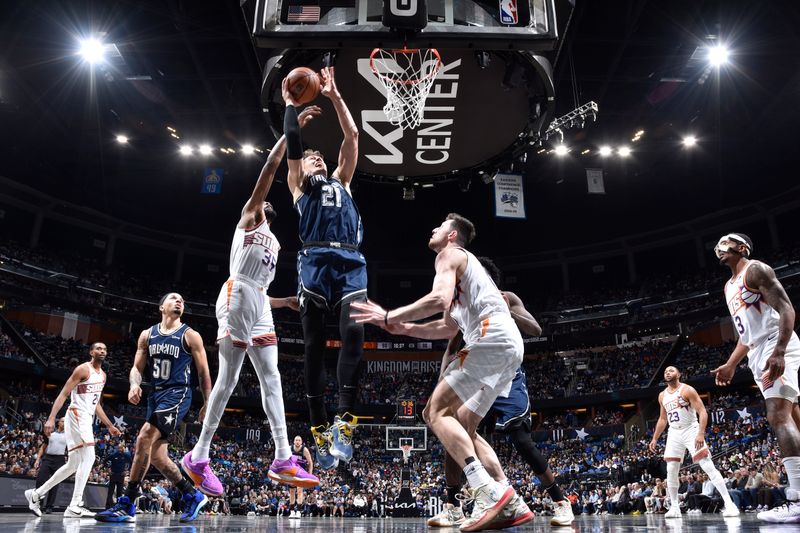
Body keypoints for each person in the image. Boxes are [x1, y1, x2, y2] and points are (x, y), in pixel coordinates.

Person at [352, 213, 523, 532]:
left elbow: (436, 298)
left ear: (452, 236)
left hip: (490, 337)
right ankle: (510, 499)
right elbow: (445, 327)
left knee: (434, 411)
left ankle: (487, 493)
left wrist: (389, 315)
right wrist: (404, 328)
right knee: (463, 424)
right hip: (507, 345)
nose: (433, 228)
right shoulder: (466, 278)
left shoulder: (450, 255)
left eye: (441, 226)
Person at [181, 108, 321, 494]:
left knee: (272, 377)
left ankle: (281, 458)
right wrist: (290, 135)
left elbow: (261, 290)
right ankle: (199, 455)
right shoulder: (250, 217)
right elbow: (269, 172)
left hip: (258, 301)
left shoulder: (275, 240)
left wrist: (283, 303)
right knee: (227, 380)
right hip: (236, 294)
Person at [426, 257, 571, 528]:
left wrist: (508, 311)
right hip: (476, 370)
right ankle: (453, 506)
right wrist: (441, 383)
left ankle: (560, 502)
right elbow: (450, 349)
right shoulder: (464, 305)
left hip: (506, 374)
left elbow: (535, 328)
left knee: (520, 439)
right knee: (454, 427)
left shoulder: (506, 298)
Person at [283, 66, 365, 469]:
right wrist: (289, 108)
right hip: (313, 260)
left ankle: (343, 422)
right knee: (314, 346)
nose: (314, 158)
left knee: (354, 333)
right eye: (310, 157)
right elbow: (293, 147)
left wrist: (333, 95)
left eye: (318, 155)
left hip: (351, 260)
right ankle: (318, 427)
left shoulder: (342, 182)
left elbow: (352, 137)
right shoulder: (299, 184)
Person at [96, 293, 211, 523]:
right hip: (155, 395)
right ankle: (193, 495)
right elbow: (137, 367)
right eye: (174, 298)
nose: (180, 301)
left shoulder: (190, 335)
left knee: (143, 438)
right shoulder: (147, 335)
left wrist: (208, 402)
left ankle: (127, 502)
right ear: (161, 307)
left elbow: (203, 372)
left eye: (182, 300)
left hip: (178, 394)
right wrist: (134, 384)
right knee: (158, 457)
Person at [711, 233, 800, 523]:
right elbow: (745, 335)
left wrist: (780, 350)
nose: (719, 248)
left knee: (778, 416)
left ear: (742, 247)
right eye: (717, 245)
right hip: (757, 351)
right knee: (794, 418)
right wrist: (730, 364)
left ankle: (796, 499)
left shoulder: (756, 269)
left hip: (776, 343)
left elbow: (787, 308)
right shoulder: (728, 286)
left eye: (726, 243)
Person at [25, 342, 121, 517]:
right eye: (99, 348)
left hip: (86, 417)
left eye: (105, 349)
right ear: (91, 352)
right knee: (90, 457)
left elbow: (97, 404)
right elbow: (63, 394)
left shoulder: (103, 376)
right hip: (76, 414)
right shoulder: (82, 370)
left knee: (73, 464)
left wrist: (109, 425)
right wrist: (52, 418)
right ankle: (74, 504)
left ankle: (36, 494)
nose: (102, 351)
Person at [649, 366, 738, 518]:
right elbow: (663, 419)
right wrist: (655, 438)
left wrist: (701, 433)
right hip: (674, 432)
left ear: (679, 374)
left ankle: (729, 504)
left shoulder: (687, 390)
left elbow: (702, 411)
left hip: (691, 429)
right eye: (665, 371)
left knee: (707, 465)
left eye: (671, 370)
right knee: (671, 469)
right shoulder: (662, 395)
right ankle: (675, 507)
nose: (667, 372)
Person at [33, 418, 67, 514]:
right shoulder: (50, 434)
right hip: (48, 459)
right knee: (40, 480)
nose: (64, 423)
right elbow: (43, 447)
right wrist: (37, 459)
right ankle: (39, 505)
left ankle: (49, 506)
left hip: (59, 460)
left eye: (65, 421)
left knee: (55, 483)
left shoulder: (68, 435)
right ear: (58, 423)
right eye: (62, 421)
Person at [288, 435, 314, 518]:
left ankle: (298, 511)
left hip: (301, 472)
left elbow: (310, 462)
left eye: (299, 440)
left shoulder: (304, 450)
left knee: (299, 491)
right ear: (294, 441)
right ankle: (292, 511)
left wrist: (310, 474)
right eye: (296, 440)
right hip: (292, 472)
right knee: (292, 492)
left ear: (301, 442)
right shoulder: (289, 449)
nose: (297, 441)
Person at [103, 442, 132, 508]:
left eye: (121, 448)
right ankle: (108, 506)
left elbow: (132, 463)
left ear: (123, 448)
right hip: (113, 475)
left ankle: (118, 506)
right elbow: (105, 461)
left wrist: (127, 471)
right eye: (119, 448)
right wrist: (108, 470)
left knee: (120, 492)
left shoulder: (127, 455)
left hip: (121, 475)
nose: (120, 449)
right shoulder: (114, 455)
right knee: (111, 491)